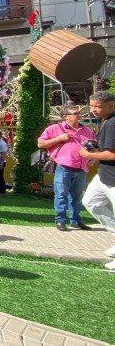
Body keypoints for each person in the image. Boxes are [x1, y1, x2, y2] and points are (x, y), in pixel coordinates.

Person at [38, 105, 96, 231]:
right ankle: (60, 220)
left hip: (81, 168)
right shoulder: (55, 128)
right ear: (65, 117)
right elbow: (40, 143)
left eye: (79, 113)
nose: (79, 115)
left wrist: (92, 157)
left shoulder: (87, 131)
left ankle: (75, 220)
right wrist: (59, 138)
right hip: (64, 167)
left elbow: (93, 146)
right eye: (75, 113)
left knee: (77, 196)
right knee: (61, 194)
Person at [80, 91, 115, 270]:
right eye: (92, 105)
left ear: (111, 106)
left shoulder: (113, 123)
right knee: (91, 202)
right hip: (104, 175)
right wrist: (95, 150)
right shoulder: (106, 121)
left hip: (113, 179)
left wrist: (87, 154)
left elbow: (112, 154)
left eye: (97, 106)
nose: (93, 110)